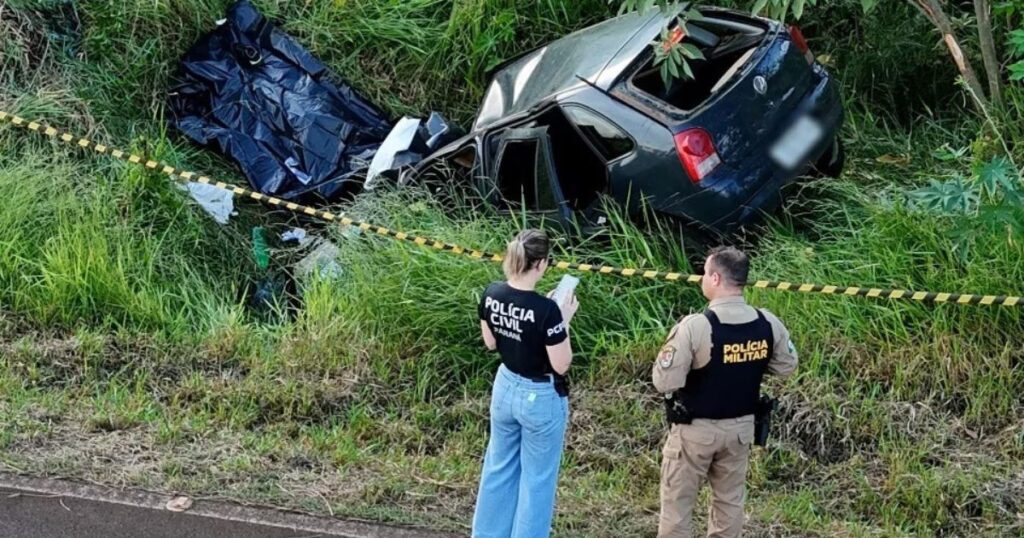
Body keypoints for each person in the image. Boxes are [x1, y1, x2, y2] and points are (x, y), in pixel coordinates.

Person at [653, 246, 798, 538]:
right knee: (729, 505)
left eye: (705, 273)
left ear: (716, 278)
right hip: (741, 430)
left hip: (695, 432)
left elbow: (664, 382)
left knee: (678, 508)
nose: (701, 279)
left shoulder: (697, 326)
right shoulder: (766, 322)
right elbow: (786, 366)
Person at [472, 229, 579, 538]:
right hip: (541, 396)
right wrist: (564, 320)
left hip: (505, 386)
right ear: (542, 264)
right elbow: (561, 363)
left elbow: (490, 343)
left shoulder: (491, 292)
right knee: (537, 480)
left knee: (498, 467)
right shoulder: (548, 311)